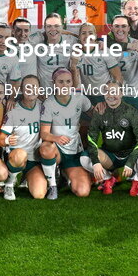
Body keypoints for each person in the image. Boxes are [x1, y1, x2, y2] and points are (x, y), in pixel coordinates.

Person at [0, 75, 58, 200]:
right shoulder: (13, 110)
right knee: (20, 154)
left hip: (34, 159)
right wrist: (6, 140)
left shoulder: (43, 107)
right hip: (17, 157)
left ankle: (27, 178)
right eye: (27, 87)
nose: (31, 90)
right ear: (21, 89)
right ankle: (9, 184)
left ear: (39, 89)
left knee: (39, 194)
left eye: (34, 87)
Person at [87, 86, 138, 196]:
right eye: (107, 92)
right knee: (86, 159)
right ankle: (109, 178)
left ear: (121, 94)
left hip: (129, 154)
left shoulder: (131, 111)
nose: (111, 95)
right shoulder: (100, 111)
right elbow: (91, 138)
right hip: (111, 155)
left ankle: (136, 180)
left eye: (115, 92)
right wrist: (96, 163)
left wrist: (130, 162)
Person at [41, 68, 93, 198]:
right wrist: (56, 138)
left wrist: (102, 109)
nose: (65, 85)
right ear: (54, 83)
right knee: (46, 149)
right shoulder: (49, 103)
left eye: (68, 81)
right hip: (57, 149)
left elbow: (94, 115)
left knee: (83, 192)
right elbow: (44, 134)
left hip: (74, 150)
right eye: (61, 82)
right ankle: (53, 185)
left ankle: (64, 173)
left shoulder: (80, 98)